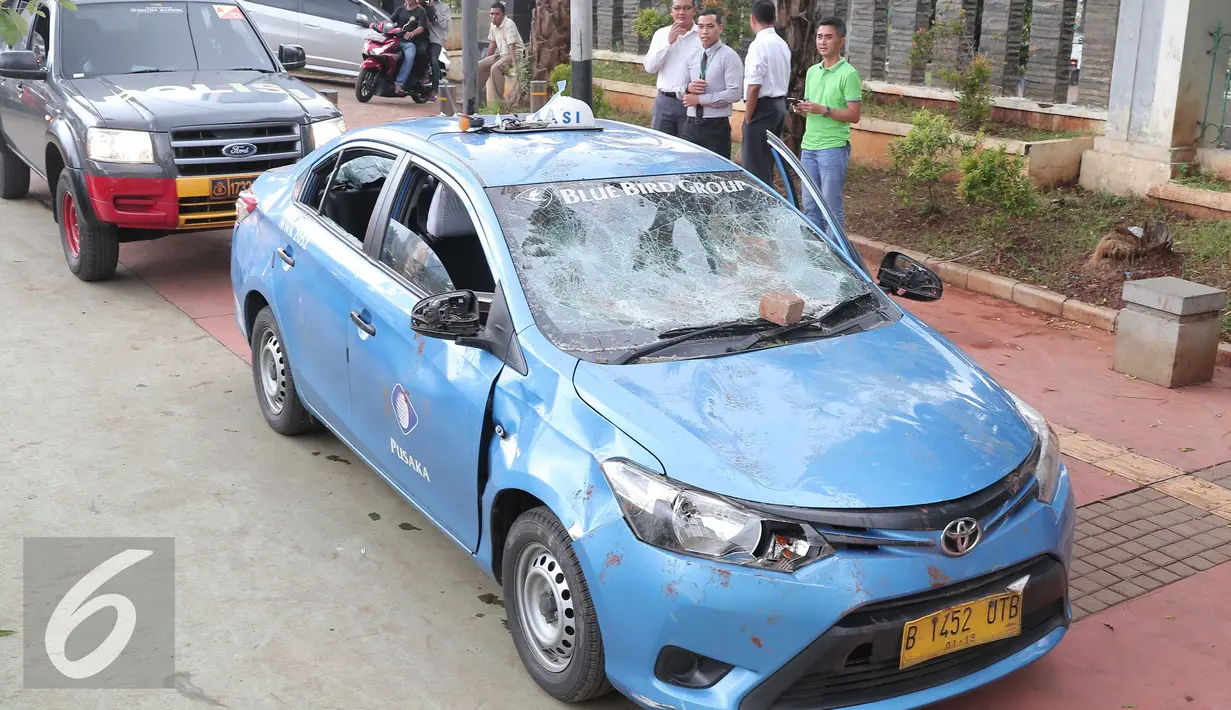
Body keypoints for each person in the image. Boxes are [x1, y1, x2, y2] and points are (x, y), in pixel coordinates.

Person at [793, 17, 862, 234]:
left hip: (832, 148)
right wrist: (802, 109)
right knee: (810, 206)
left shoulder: (849, 74)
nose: (822, 42)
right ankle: (814, 256)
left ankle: (837, 258)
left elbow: (854, 115)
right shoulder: (813, 71)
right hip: (809, 148)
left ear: (841, 41)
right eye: (819, 37)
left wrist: (824, 110)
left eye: (829, 37)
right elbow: (814, 107)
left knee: (831, 207)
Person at [677, 9, 742, 160]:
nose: (704, 32)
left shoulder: (729, 56)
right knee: (687, 173)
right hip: (691, 125)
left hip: (716, 127)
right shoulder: (692, 55)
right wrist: (688, 88)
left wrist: (700, 100)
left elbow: (735, 93)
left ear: (720, 28)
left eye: (710, 26)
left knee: (715, 176)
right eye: (700, 27)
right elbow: (677, 89)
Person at [740, 0, 791, 186]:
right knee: (766, 163)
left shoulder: (759, 44)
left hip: (762, 108)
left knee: (754, 167)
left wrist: (748, 118)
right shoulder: (781, 43)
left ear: (753, 18)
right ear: (774, 18)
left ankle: (757, 210)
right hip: (779, 106)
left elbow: (754, 86)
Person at [642, 0, 701, 137]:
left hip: (690, 102)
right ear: (671, 11)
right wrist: (669, 42)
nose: (681, 12)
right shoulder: (661, 34)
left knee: (688, 150)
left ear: (694, 10)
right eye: (677, 8)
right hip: (665, 101)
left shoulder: (702, 35)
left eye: (687, 8)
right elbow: (650, 67)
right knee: (661, 149)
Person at [478, 1, 525, 105]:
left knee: (496, 68)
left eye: (497, 14)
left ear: (503, 14)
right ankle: (476, 97)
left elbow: (512, 47)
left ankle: (498, 101)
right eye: (492, 14)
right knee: (479, 65)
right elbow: (492, 44)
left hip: (515, 54)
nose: (494, 17)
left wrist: (515, 65)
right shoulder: (493, 25)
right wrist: (489, 60)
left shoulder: (509, 24)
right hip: (502, 54)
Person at [390, 0, 429, 96]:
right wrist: (378, 24)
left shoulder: (421, 11)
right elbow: (390, 20)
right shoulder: (400, 9)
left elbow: (421, 27)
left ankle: (399, 83)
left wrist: (412, 33)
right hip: (396, 39)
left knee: (410, 56)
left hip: (409, 42)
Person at [425, 0, 450, 101]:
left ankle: (435, 90)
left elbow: (444, 24)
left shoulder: (445, 8)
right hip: (424, 37)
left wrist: (433, 9)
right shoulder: (423, 5)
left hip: (437, 38)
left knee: (434, 60)